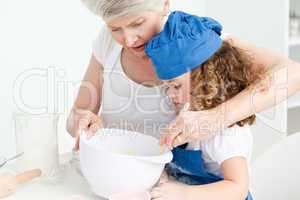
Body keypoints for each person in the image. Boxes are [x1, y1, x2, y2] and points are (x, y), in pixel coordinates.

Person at [66, 0, 300, 150]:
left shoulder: (199, 43)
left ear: (164, 4)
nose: (128, 40)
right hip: (119, 179)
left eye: (138, 23)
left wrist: (217, 117)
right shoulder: (107, 42)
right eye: (115, 28)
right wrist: (81, 121)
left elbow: (292, 72)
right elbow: (76, 116)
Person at [146, 11, 256, 200]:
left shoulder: (225, 133)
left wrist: (183, 193)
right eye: (167, 87)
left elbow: (238, 187)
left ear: (207, 78)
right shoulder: (185, 111)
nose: (171, 94)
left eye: (176, 85)